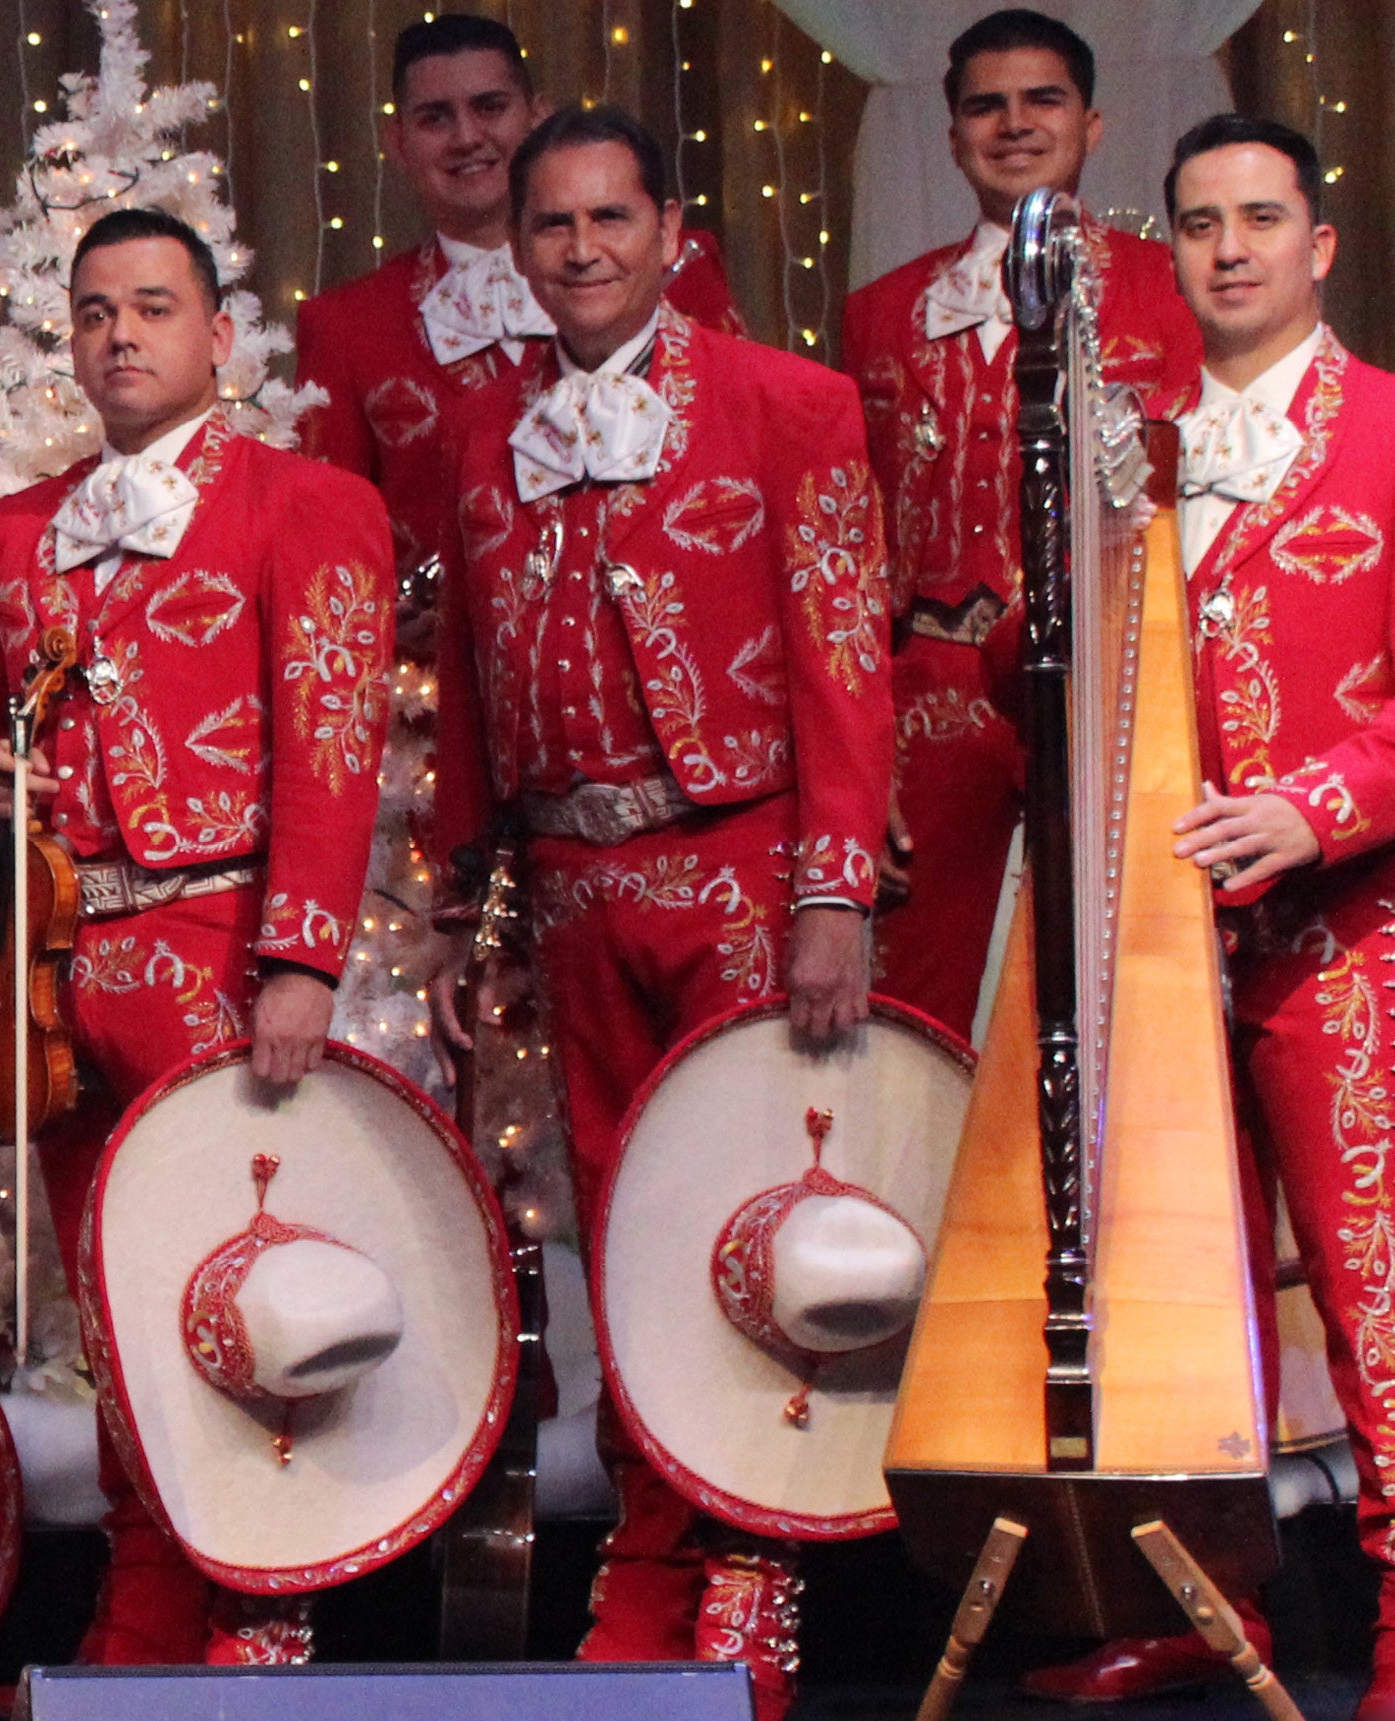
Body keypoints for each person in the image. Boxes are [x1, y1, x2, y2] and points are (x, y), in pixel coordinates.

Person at [1015, 115, 1395, 1721]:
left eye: (1261, 218)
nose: (1229, 248)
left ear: (1320, 245)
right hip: (1150, 941)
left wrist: (1311, 809)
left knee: (1378, 1286)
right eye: (1200, 222)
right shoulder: (1128, 451)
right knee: (1180, 1289)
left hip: (1346, 929)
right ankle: (1208, 1602)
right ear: (1171, 251)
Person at [420, 108, 893, 1721]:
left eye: (607, 217)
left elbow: (845, 658)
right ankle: (645, 1553)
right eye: (548, 225)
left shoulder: (790, 404)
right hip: (566, 888)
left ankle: (745, 1581)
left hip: (737, 871)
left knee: (747, 1229)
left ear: (669, 226)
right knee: (616, 1235)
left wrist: (832, 889)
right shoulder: (487, 432)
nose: (576, 249)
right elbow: (477, 701)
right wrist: (469, 911)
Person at [0, 207, 394, 1678]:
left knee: (234, 1295)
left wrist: (300, 960)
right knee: (113, 1310)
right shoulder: (21, 528)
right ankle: (142, 1619)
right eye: (93, 314)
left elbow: (333, 742)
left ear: (217, 339)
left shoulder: (301, 502)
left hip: (215, 946)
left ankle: (257, 1613)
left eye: (152, 308)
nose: (119, 336)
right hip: (61, 973)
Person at [840, 9, 1203, 1028]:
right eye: (983, 106)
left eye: (1040, 99)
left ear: (1091, 125)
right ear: (952, 135)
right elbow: (845, 551)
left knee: (1125, 989)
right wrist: (857, 763)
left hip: (1109, 686)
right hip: (934, 694)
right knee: (921, 992)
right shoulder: (880, 312)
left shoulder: (1169, 291)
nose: (1012, 124)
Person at [292, 15, 743, 547]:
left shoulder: (673, 268)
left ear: (536, 116)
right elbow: (325, 535)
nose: (467, 137)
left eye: (490, 107)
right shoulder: (345, 324)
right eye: (436, 118)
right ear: (398, 141)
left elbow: (739, 464)